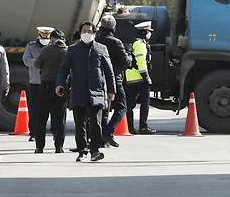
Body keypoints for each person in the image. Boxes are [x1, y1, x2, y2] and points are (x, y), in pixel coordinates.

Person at [56, 21, 115, 162]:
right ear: (80, 32)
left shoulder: (102, 49)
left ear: (94, 33)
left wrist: (111, 90)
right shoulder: (73, 50)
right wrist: (60, 84)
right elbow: (64, 69)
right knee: (80, 124)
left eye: (89, 31)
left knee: (96, 123)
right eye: (84, 31)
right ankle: (82, 151)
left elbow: (109, 71)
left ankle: (95, 151)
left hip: (97, 92)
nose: (87, 33)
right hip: (78, 91)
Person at [97, 15, 131, 147]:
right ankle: (108, 132)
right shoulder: (116, 42)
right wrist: (129, 55)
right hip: (115, 79)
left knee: (104, 110)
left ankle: (101, 139)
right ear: (113, 27)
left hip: (99, 79)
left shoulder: (97, 41)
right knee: (122, 107)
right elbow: (125, 61)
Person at [33, 29, 68, 154]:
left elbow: (37, 64)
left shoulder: (46, 50)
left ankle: (39, 147)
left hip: (46, 86)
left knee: (42, 118)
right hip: (62, 87)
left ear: (52, 39)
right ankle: (59, 147)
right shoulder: (68, 51)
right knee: (60, 119)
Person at [23, 27, 54, 142]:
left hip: (49, 81)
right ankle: (34, 133)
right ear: (39, 35)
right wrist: (38, 62)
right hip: (35, 82)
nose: (45, 39)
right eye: (43, 36)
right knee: (34, 109)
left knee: (51, 108)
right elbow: (26, 60)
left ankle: (52, 131)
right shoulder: (31, 46)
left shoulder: (52, 46)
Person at [125, 21, 156, 134]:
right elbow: (141, 61)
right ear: (144, 32)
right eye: (148, 32)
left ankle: (129, 127)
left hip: (132, 78)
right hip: (140, 78)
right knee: (144, 104)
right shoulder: (140, 44)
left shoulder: (136, 43)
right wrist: (146, 77)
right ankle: (143, 127)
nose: (150, 34)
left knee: (130, 105)